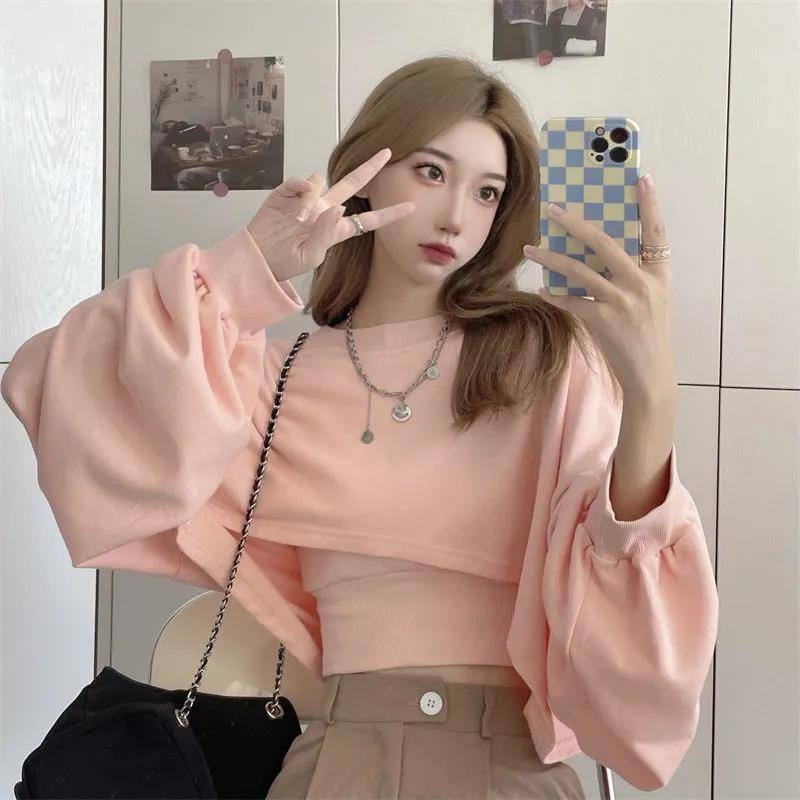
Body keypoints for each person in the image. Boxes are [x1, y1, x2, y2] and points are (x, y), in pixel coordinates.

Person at [2, 55, 718, 798]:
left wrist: (653, 396)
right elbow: (55, 381)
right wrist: (244, 270)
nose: (455, 217)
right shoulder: (277, 378)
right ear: (368, 169)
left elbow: (620, 600)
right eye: (431, 172)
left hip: (507, 772)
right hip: (331, 767)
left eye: (487, 192)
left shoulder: (542, 359)